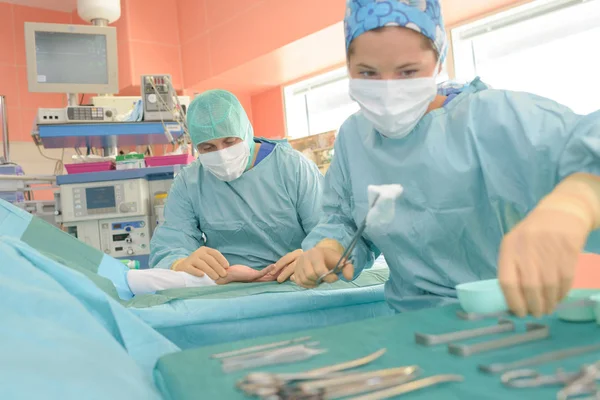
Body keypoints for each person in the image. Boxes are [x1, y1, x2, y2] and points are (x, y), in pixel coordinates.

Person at [294, 0, 600, 317]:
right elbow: (344, 220)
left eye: (408, 72)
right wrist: (330, 249)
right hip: (411, 324)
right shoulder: (354, 137)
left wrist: (576, 201)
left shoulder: (490, 117)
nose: (387, 89)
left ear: (439, 59)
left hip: (510, 316)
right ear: (348, 68)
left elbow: (587, 140)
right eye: (367, 73)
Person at [150, 89, 323, 285]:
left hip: (297, 283)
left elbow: (331, 232)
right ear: (196, 147)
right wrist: (179, 263)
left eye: (230, 142)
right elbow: (170, 243)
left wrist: (316, 257)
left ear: (246, 131)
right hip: (228, 292)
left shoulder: (293, 168)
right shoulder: (189, 183)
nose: (222, 154)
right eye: (208, 148)